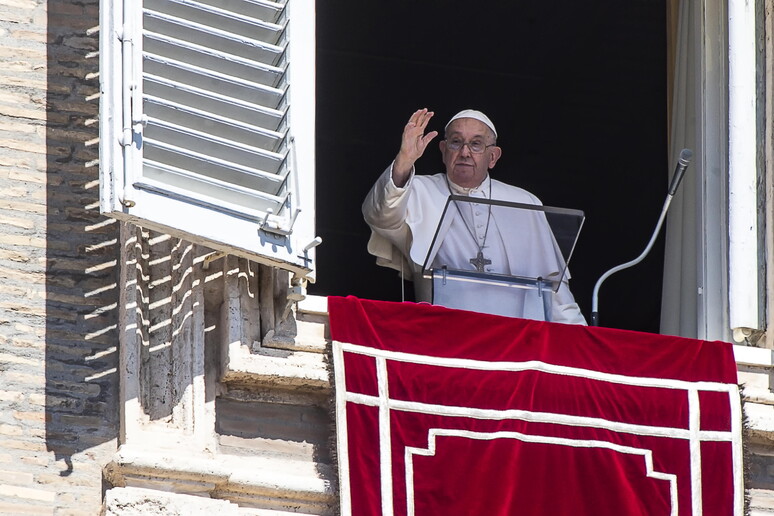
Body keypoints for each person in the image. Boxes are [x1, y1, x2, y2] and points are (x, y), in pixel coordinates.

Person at [362, 108, 586, 325]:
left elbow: (553, 290)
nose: (465, 152)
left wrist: (581, 341)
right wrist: (404, 160)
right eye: (456, 142)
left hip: (516, 339)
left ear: (493, 156)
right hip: (443, 332)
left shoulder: (524, 202)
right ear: (443, 149)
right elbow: (380, 215)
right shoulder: (418, 190)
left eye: (476, 144)